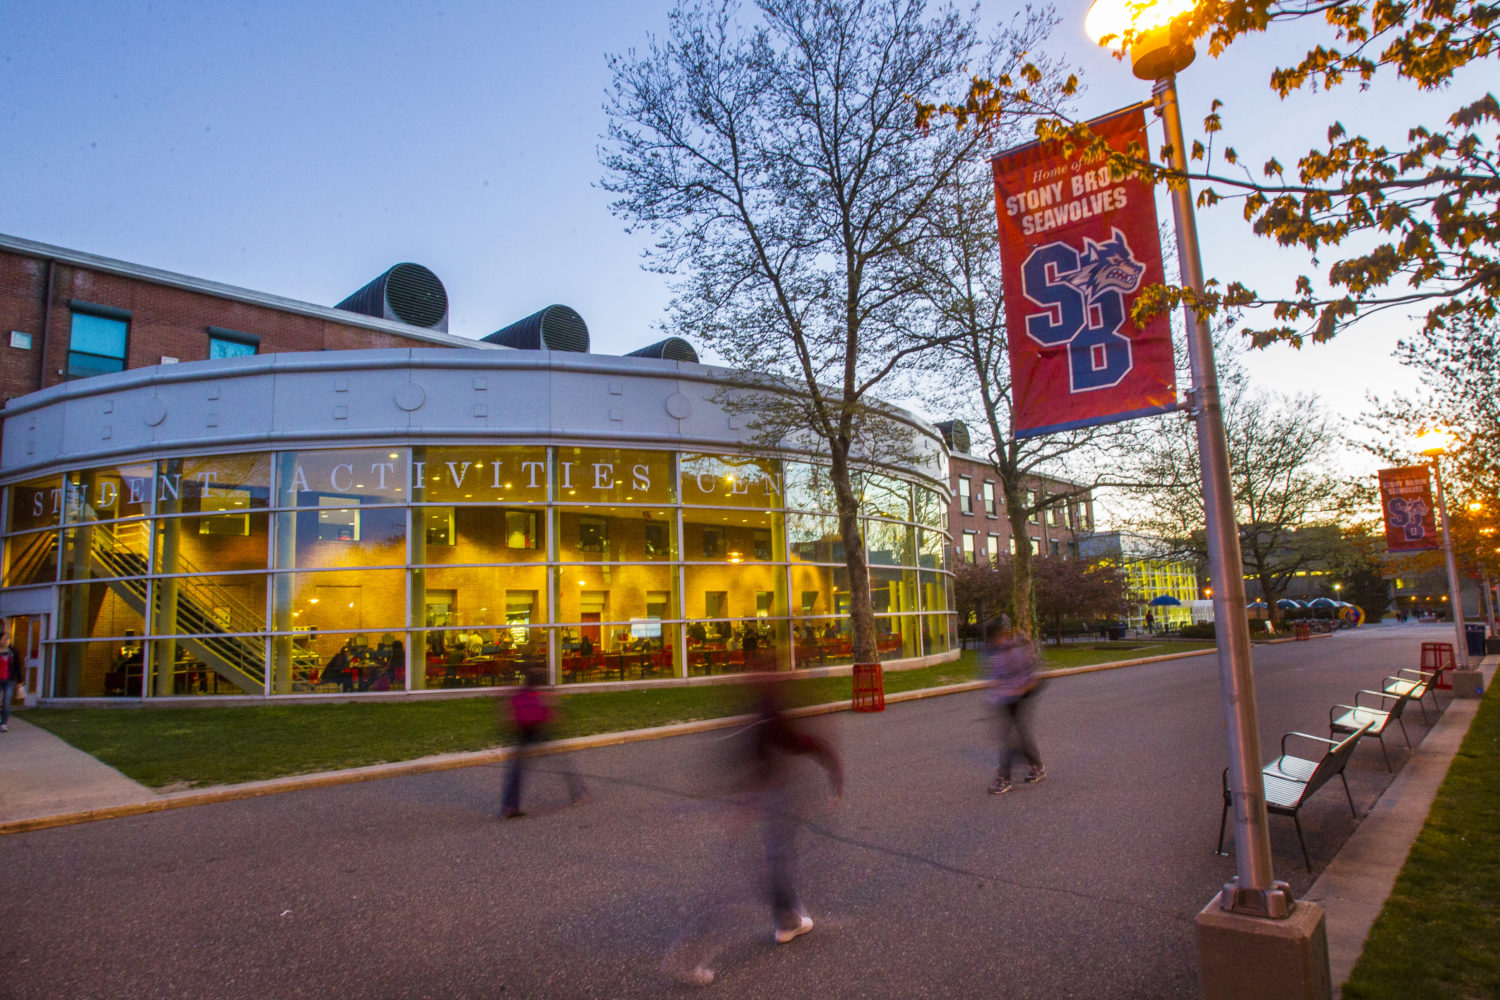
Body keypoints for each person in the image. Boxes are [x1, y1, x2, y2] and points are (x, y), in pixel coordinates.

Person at [744, 672, 843, 944]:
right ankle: (787, 919)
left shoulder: (760, 709)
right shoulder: (771, 711)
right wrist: (833, 769)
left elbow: (755, 750)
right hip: (779, 791)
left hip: (770, 789)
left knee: (778, 853)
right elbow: (800, 742)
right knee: (780, 855)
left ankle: (788, 915)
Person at [500, 667, 587, 819]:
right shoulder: (541, 695)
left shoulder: (517, 695)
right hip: (539, 731)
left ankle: (510, 806)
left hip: (523, 733)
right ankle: (578, 794)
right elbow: (554, 714)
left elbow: (508, 715)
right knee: (561, 762)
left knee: (516, 771)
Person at [984, 619, 1045, 795]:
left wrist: (1018, 691)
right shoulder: (997, 650)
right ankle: (1036, 766)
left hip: (1018, 696)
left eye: (994, 637)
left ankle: (1004, 778)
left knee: (1008, 738)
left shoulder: (1015, 649)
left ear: (1001, 635)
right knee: (1019, 734)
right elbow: (996, 674)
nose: (992, 641)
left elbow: (1029, 675)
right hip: (1005, 698)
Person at [0, 630, 17, 731]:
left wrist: (19, 681)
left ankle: (4, 723)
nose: (6, 640)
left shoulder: (12, 652)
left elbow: (17, 666)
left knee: (6, 701)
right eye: (4, 638)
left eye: (8, 638)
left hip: (9, 680)